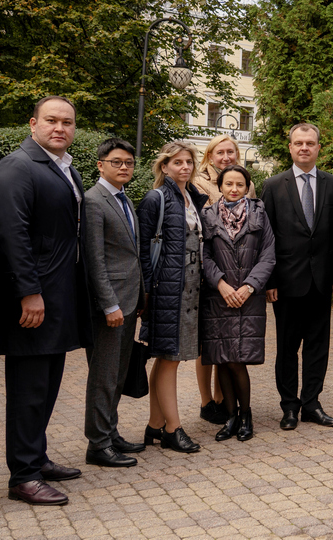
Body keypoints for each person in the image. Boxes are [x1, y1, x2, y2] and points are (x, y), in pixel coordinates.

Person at [0, 96, 92, 506]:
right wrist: (28, 292)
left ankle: (37, 457)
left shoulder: (65, 169)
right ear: (33, 124)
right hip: (32, 298)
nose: (60, 128)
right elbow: (10, 235)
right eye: (51, 120)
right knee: (29, 389)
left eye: (67, 122)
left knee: (47, 385)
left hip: (59, 295)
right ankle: (24, 476)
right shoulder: (17, 167)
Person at [261, 123, 333, 430]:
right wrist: (269, 281)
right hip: (286, 283)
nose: (304, 148)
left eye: (310, 143)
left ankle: (311, 403)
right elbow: (266, 237)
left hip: (322, 282)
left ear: (319, 147)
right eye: (299, 143)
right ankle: (289, 407)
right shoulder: (273, 186)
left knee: (317, 347)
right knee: (286, 348)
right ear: (290, 148)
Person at [136, 140, 208, 454]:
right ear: (164, 166)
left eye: (188, 162)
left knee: (168, 359)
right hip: (167, 290)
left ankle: (155, 424)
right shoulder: (156, 198)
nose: (185, 167)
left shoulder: (193, 197)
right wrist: (146, 293)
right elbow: (142, 249)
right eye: (177, 162)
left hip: (191, 288)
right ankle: (172, 428)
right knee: (170, 358)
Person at [200, 165, 276, 442]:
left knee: (238, 359)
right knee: (222, 357)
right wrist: (220, 283)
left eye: (240, 184)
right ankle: (230, 417)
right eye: (229, 184)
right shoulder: (207, 215)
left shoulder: (259, 212)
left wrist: (249, 286)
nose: (234, 189)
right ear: (220, 186)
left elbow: (268, 254)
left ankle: (245, 416)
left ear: (247, 187)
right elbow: (203, 255)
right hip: (218, 296)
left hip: (248, 297)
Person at [82, 138, 145, 468]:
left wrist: (141, 294)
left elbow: (131, 253)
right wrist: (109, 305)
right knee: (103, 375)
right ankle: (98, 444)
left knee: (118, 373)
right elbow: (95, 259)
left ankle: (111, 432)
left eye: (129, 163)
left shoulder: (124, 198)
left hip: (130, 299)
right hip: (110, 305)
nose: (124, 167)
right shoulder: (94, 201)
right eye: (116, 162)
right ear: (100, 165)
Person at [192, 134, 258, 425]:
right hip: (210, 275)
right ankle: (207, 400)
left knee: (230, 343)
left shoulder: (247, 183)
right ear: (210, 155)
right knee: (209, 343)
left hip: (240, 274)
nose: (226, 156)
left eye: (231, 151)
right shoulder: (197, 181)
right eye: (220, 152)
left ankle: (224, 401)